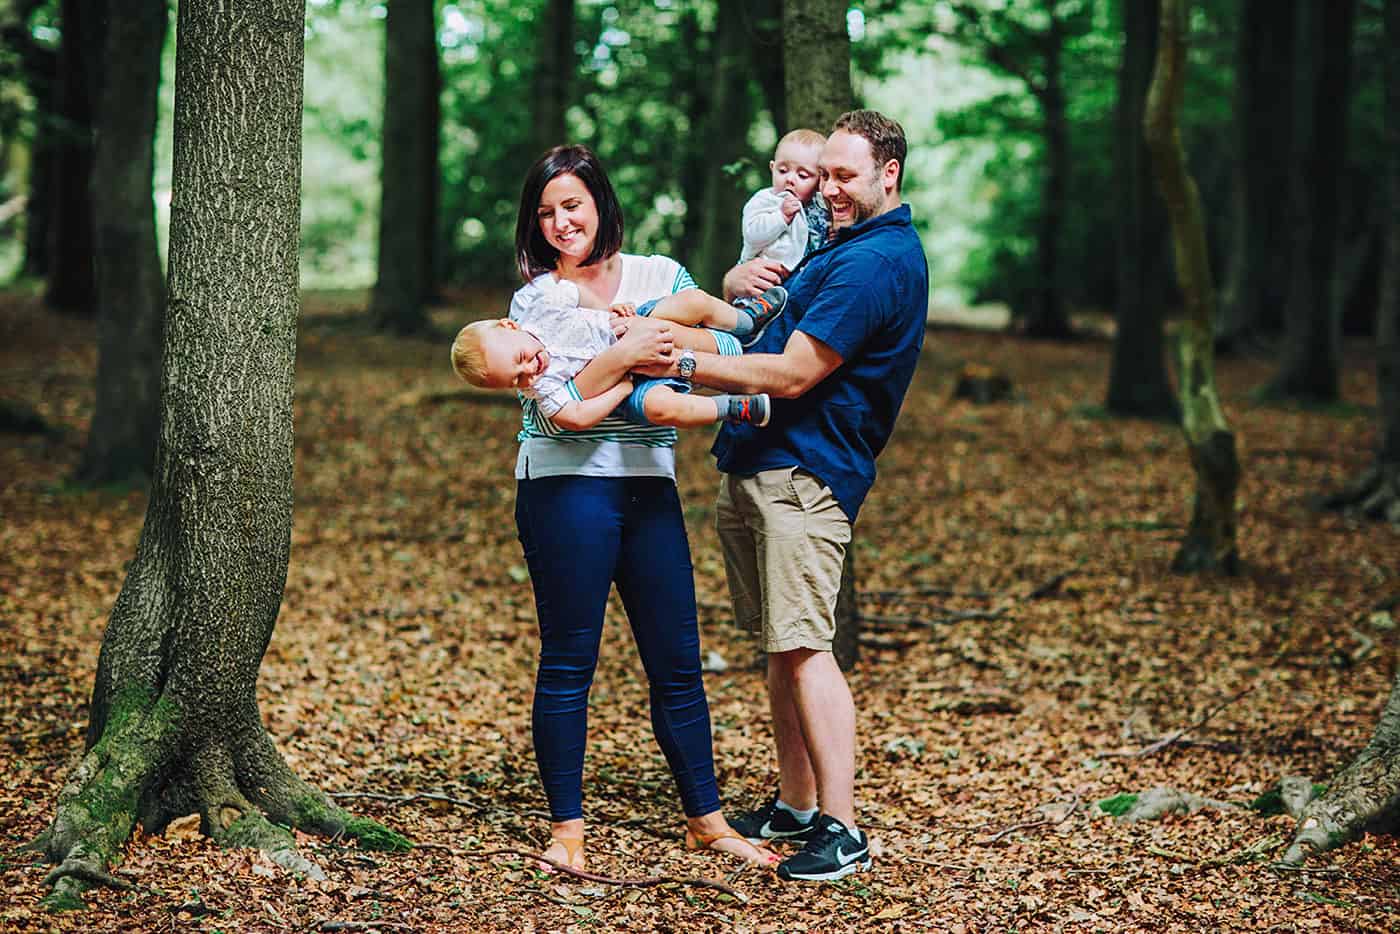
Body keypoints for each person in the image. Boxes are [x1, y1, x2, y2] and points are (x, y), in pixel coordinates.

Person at [631, 110, 928, 882]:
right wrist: (724, 289)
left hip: (805, 472)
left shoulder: (876, 262)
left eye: (844, 176)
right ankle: (797, 805)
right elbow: (755, 324)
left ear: (887, 175)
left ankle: (843, 827)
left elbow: (793, 372)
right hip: (759, 462)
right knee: (779, 645)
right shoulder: (837, 246)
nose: (827, 188)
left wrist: (677, 368)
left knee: (805, 648)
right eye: (821, 173)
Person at [495, 143, 780, 874]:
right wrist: (628, 354)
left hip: (648, 484)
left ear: (599, 204)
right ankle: (567, 832)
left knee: (677, 662)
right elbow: (562, 401)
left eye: (573, 206)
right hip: (562, 487)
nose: (561, 223)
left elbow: (722, 340)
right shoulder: (535, 299)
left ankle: (706, 820)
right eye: (547, 212)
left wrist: (649, 335)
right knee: (569, 661)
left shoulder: (658, 275)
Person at [449, 277, 785, 428]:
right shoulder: (539, 388)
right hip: (636, 382)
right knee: (664, 408)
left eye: (520, 359)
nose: (528, 372)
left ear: (511, 326)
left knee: (692, 301)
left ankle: (745, 320)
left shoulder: (542, 310)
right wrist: (622, 388)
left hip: (629, 325)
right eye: (516, 379)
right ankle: (734, 408)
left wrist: (609, 310)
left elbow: (574, 292)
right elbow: (575, 418)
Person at [739, 129, 830, 273]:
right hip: (765, 275)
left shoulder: (820, 205)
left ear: (820, 180)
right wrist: (781, 217)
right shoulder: (765, 200)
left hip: (803, 277)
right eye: (782, 171)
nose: (789, 179)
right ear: (772, 168)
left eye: (802, 175)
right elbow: (752, 236)